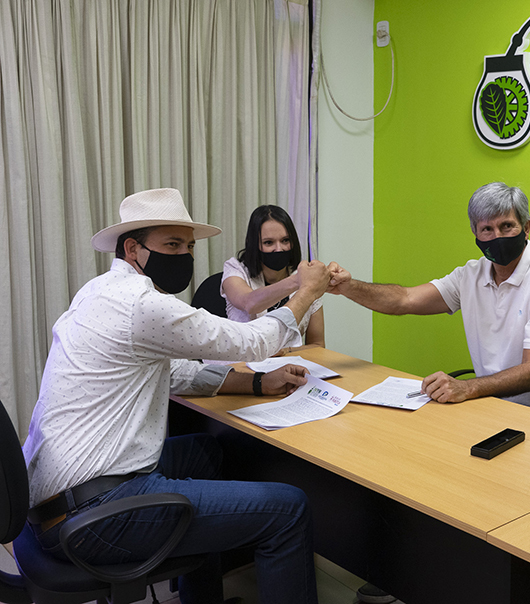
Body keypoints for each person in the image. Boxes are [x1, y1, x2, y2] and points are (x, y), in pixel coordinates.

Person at [22, 188, 329, 604]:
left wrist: (257, 383)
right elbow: (250, 341)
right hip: (93, 515)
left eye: (188, 246)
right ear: (132, 249)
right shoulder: (140, 304)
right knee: (289, 508)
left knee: (209, 453)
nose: (184, 255)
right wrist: (306, 292)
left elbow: (176, 372)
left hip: (58, 500)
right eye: (171, 245)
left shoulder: (98, 291)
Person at [328, 181, 530, 412]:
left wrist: (467, 387)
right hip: (493, 403)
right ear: (476, 235)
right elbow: (404, 299)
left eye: (507, 226)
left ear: (526, 228)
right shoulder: (470, 275)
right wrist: (348, 286)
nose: (497, 236)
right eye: (487, 229)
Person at [222, 205, 323, 355]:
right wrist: (299, 281)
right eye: (269, 242)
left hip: (291, 363)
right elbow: (249, 303)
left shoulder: (303, 275)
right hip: (244, 362)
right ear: (253, 244)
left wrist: (285, 351)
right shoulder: (235, 269)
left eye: (285, 240)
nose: (279, 249)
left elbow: (318, 345)